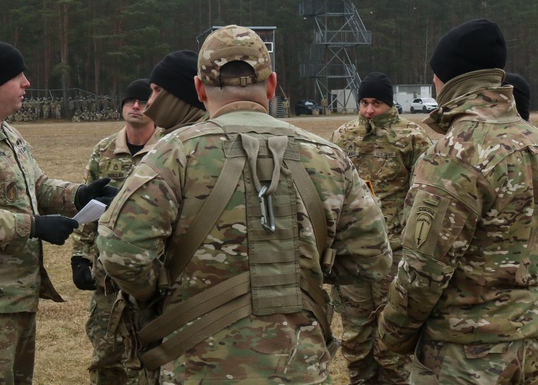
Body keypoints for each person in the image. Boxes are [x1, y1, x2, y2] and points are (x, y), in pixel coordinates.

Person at [98, 25, 393, 383]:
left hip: (199, 365)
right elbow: (372, 257)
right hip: (299, 366)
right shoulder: (329, 157)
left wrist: (162, 290)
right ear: (272, 86)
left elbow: (120, 253)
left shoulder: (174, 153)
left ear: (198, 89)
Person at [375, 19, 538, 384]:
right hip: (527, 343)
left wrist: (389, 339)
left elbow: (423, 271)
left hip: (463, 355)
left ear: (449, 78)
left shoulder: (456, 152)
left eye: (435, 75)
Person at [0, 38, 117, 384]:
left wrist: (79, 195)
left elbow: (36, 187)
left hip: (14, 299)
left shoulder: (7, 135)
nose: (27, 83)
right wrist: (33, 226)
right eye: (18, 75)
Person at [330, 72, 432, 384]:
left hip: (396, 254)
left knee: (393, 336)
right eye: (363, 102)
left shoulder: (413, 138)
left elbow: (427, 194)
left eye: (377, 103)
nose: (369, 110)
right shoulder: (343, 138)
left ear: (390, 105)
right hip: (353, 254)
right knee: (356, 335)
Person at [72, 78, 162, 385]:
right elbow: (89, 208)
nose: (135, 106)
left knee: (151, 358)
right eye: (130, 102)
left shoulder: (167, 150)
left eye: (142, 101)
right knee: (107, 357)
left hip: (151, 272)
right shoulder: (104, 150)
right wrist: (80, 257)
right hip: (107, 273)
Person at [141, 49, 207, 131]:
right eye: (152, 91)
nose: (150, 101)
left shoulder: (206, 140)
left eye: (158, 90)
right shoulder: (162, 137)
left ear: (183, 95)